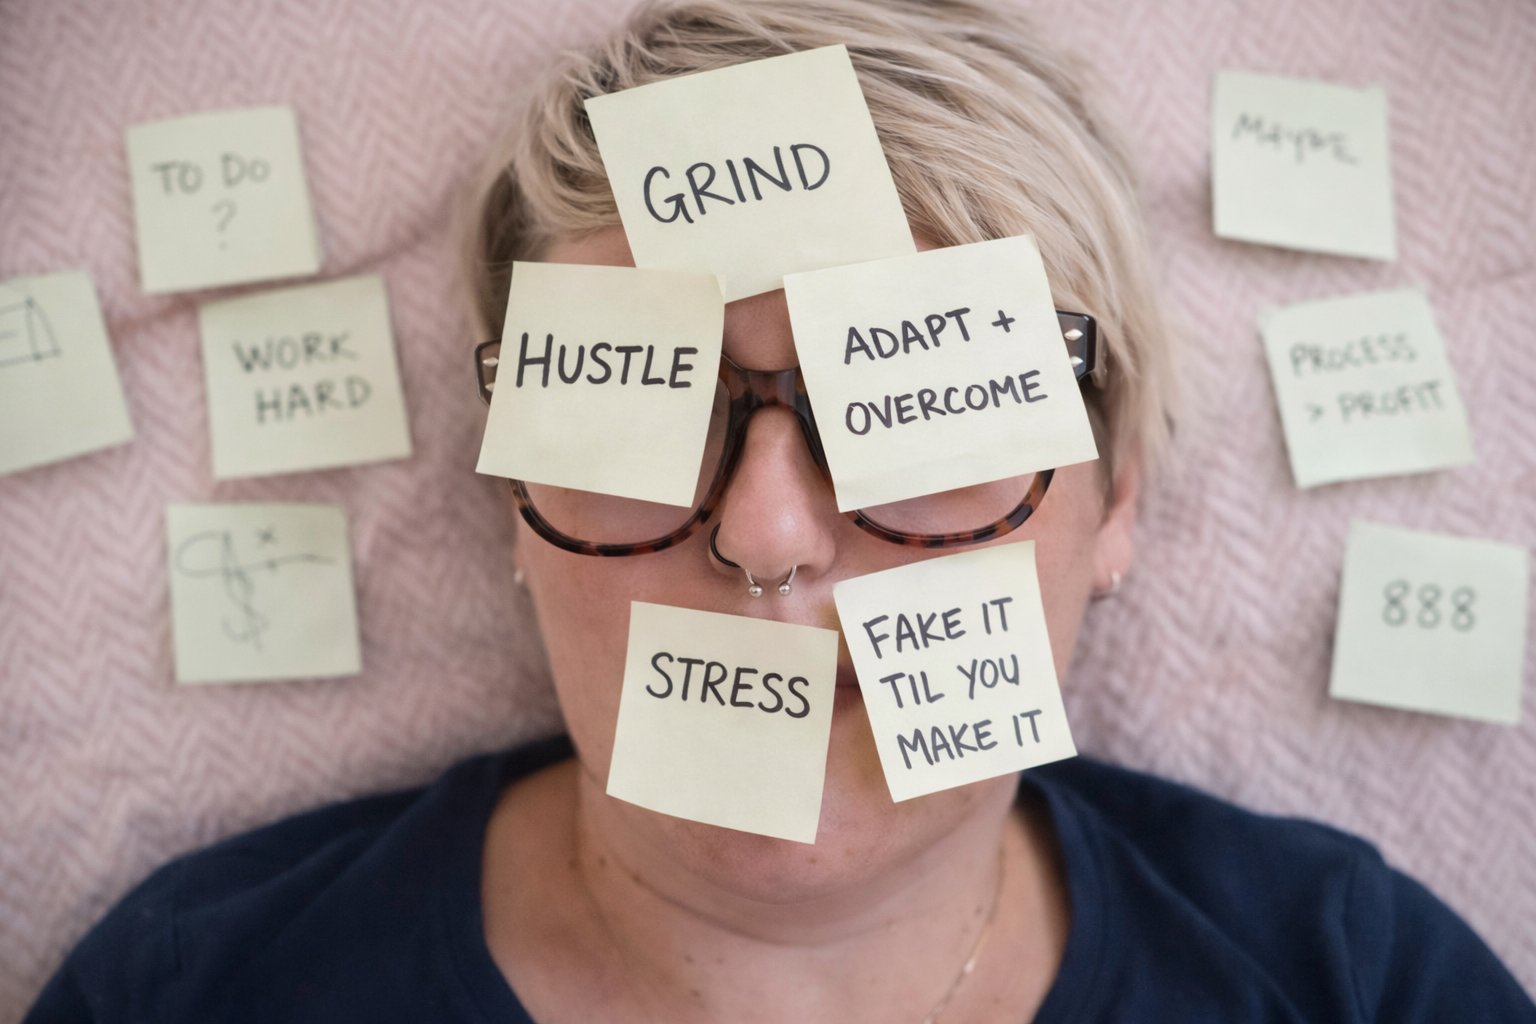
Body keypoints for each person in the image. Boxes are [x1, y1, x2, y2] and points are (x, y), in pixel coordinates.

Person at [28, 1, 1536, 1021]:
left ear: (1116, 494)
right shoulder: (198, 986)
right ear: (507, 486)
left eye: (921, 401)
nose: (767, 537)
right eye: (643, 395)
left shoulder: (1350, 979)